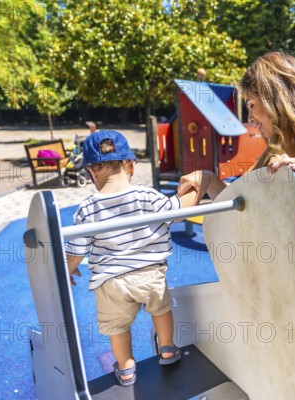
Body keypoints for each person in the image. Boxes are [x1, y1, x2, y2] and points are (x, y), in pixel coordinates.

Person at [177, 51, 295, 315]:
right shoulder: (274, 151)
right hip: (275, 282)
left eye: (250, 104)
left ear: (276, 101)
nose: (249, 118)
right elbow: (248, 207)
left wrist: (289, 195)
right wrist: (209, 181)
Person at [65, 130, 196, 386]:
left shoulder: (87, 208)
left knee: (117, 327)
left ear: (90, 171)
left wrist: (68, 270)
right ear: (131, 166)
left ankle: (126, 368)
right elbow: (177, 211)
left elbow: (76, 250)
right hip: (150, 274)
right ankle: (167, 348)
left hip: (110, 281)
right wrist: (196, 188)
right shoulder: (146, 196)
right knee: (161, 310)